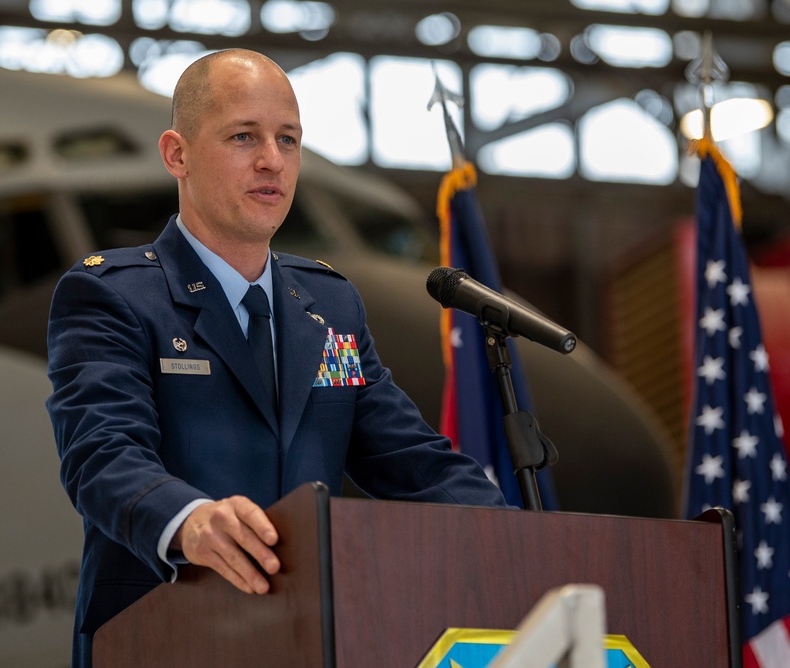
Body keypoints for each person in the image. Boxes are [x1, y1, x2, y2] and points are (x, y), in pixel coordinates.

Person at [45, 49, 507, 667]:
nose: (272, 160)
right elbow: (102, 455)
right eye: (243, 136)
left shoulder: (330, 309)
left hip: (308, 643)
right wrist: (190, 520)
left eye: (287, 139)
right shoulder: (113, 295)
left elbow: (413, 462)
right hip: (162, 637)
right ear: (176, 154)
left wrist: (526, 541)